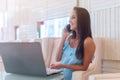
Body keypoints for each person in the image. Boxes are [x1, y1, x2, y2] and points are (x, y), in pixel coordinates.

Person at [50, 7, 95, 80]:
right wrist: (63, 37)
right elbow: (57, 58)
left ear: (82, 21)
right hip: (58, 77)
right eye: (70, 18)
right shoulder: (69, 38)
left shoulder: (88, 42)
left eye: (73, 17)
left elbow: (84, 67)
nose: (69, 20)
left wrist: (63, 65)